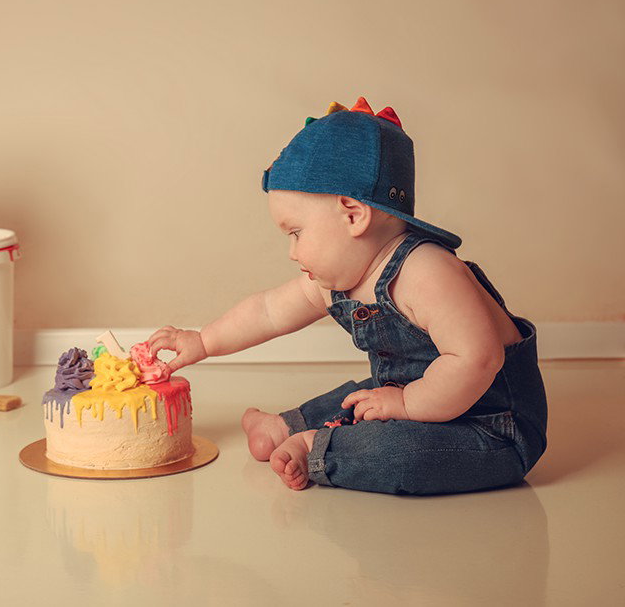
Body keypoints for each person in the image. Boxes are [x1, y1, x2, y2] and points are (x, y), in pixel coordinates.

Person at [146, 97, 547, 495]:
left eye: (296, 233)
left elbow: (478, 358)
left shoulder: (427, 271)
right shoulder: (339, 279)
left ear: (353, 215)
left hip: (491, 427)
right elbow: (268, 312)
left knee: (399, 454)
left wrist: (406, 405)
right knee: (360, 396)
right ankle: (285, 425)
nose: (292, 251)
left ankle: (317, 448)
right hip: (414, 399)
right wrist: (202, 341)